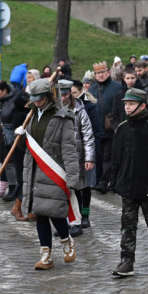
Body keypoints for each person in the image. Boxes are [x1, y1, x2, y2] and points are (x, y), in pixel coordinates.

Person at [19, 78, 80, 271]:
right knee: (40, 214)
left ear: (48, 96)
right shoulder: (30, 116)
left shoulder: (63, 118)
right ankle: (46, 256)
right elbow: (28, 148)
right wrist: (20, 137)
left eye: (40, 98)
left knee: (54, 212)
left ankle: (66, 240)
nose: (36, 102)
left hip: (54, 171)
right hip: (34, 171)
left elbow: (69, 149)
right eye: (34, 99)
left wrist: (72, 176)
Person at [107, 88, 148, 276]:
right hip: (128, 187)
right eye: (125, 104)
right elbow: (116, 158)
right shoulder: (122, 128)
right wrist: (115, 180)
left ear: (142, 106)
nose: (127, 107)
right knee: (127, 225)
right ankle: (127, 260)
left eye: (131, 104)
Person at [59, 79, 95, 236]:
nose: (63, 98)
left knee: (78, 188)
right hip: (58, 158)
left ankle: (78, 220)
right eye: (60, 95)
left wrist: (89, 158)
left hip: (76, 157)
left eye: (66, 94)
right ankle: (65, 221)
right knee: (62, 191)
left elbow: (88, 136)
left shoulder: (80, 111)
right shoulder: (53, 110)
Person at [0, 79, 29, 207]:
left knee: (13, 163)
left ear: (4, 91)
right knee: (5, 162)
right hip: (1, 137)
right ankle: (8, 186)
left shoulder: (14, 101)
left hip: (13, 136)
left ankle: (15, 188)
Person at [89, 61, 124, 193]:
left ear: (108, 73)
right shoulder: (92, 89)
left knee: (108, 157)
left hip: (111, 129)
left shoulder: (117, 87)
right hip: (96, 130)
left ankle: (104, 181)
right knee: (97, 156)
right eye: (98, 73)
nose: (100, 75)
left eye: (103, 72)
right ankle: (97, 179)